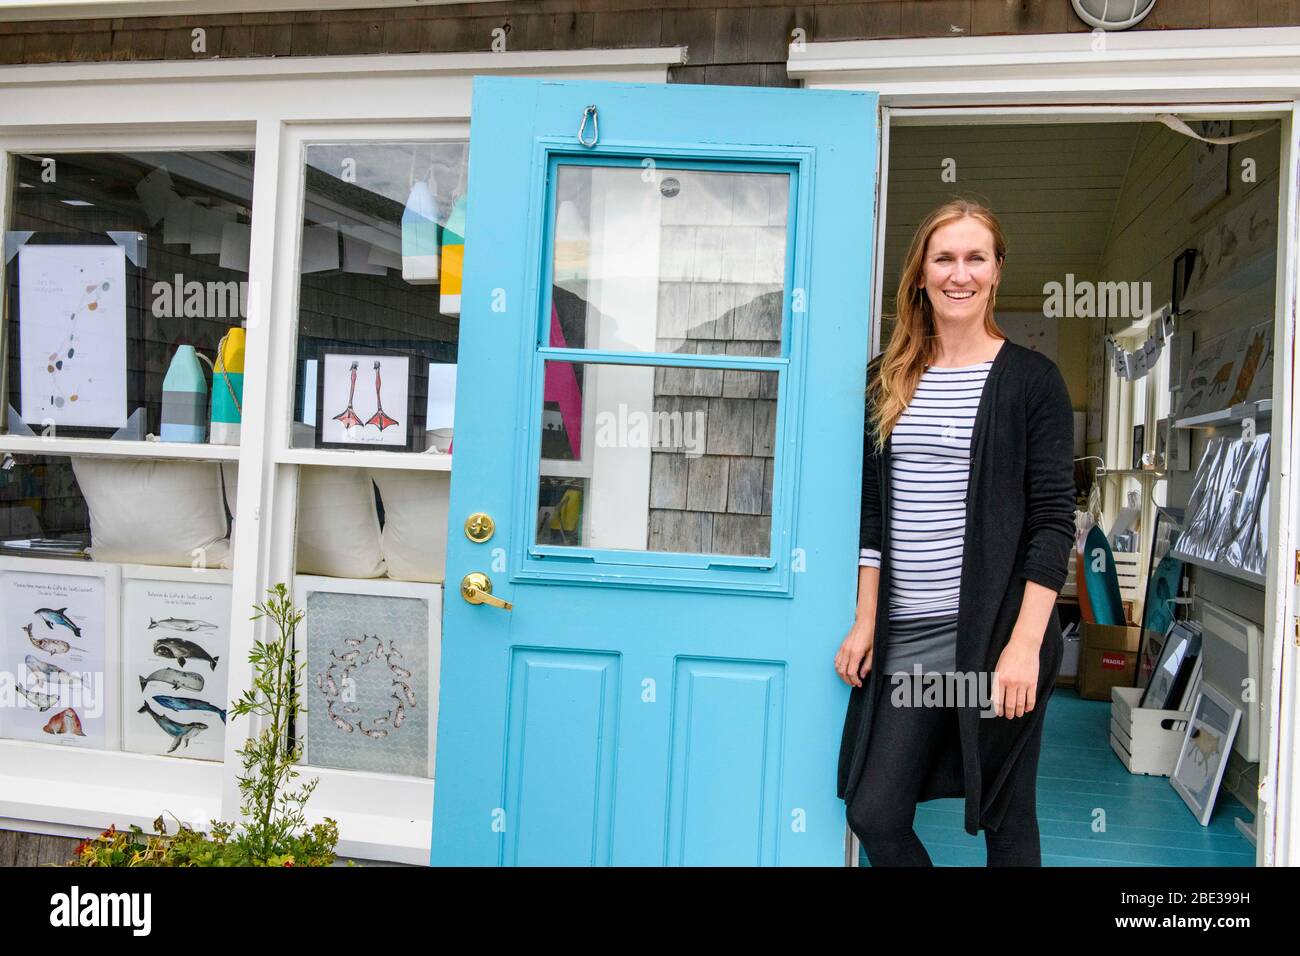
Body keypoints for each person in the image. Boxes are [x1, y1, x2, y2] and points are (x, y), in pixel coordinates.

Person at [833, 198, 1076, 866]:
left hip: (998, 637)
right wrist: (865, 618)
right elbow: (874, 515)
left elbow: (1055, 522)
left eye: (975, 258)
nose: (958, 273)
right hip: (913, 639)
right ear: (920, 273)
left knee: (1005, 810)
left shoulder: (1032, 381)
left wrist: (1025, 646)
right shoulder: (887, 379)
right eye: (944, 258)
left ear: (997, 271)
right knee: (875, 811)